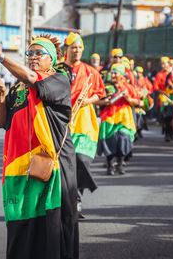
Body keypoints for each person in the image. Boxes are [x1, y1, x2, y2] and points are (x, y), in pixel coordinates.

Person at [0, 34, 78, 259]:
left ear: (51, 59)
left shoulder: (58, 80)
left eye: (38, 53)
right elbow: (3, 122)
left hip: (53, 165)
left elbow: (33, 78)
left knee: (53, 223)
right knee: (21, 222)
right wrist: (1, 97)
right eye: (29, 53)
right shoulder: (19, 88)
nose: (32, 57)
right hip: (20, 167)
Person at [62, 32, 105, 219]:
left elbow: (100, 94)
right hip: (62, 121)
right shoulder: (57, 69)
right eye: (74, 47)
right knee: (65, 165)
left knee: (81, 159)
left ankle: (77, 198)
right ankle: (68, 201)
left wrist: (87, 100)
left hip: (84, 122)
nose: (77, 51)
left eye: (80, 48)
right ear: (67, 49)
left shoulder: (91, 72)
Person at [98, 63, 140, 176]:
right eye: (112, 72)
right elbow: (97, 101)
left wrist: (128, 98)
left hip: (124, 119)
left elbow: (137, 102)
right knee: (109, 140)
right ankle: (110, 165)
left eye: (116, 72)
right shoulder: (106, 87)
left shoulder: (129, 87)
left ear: (122, 75)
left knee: (123, 138)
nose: (113, 75)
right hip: (108, 118)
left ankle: (120, 164)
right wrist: (106, 101)